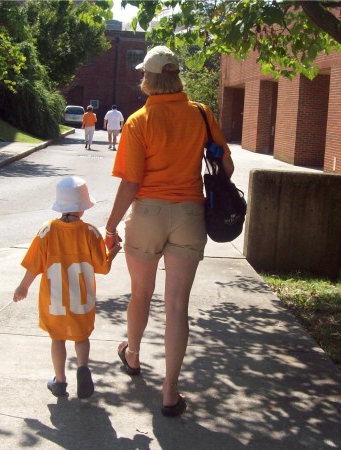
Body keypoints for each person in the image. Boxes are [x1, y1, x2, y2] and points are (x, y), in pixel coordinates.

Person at [104, 46, 234, 417]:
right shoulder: (201, 113)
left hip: (146, 215)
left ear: (148, 77)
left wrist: (111, 225)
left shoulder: (138, 121)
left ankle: (132, 355)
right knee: (178, 305)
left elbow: (130, 183)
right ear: (176, 76)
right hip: (190, 215)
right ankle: (170, 391)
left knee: (140, 294)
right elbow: (227, 166)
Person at [13, 176, 120, 399]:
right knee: (81, 338)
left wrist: (23, 288)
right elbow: (103, 267)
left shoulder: (46, 231)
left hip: (55, 304)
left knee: (57, 339)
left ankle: (60, 382)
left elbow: (34, 265)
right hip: (82, 301)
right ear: (82, 208)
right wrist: (114, 251)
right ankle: (82, 367)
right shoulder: (90, 232)